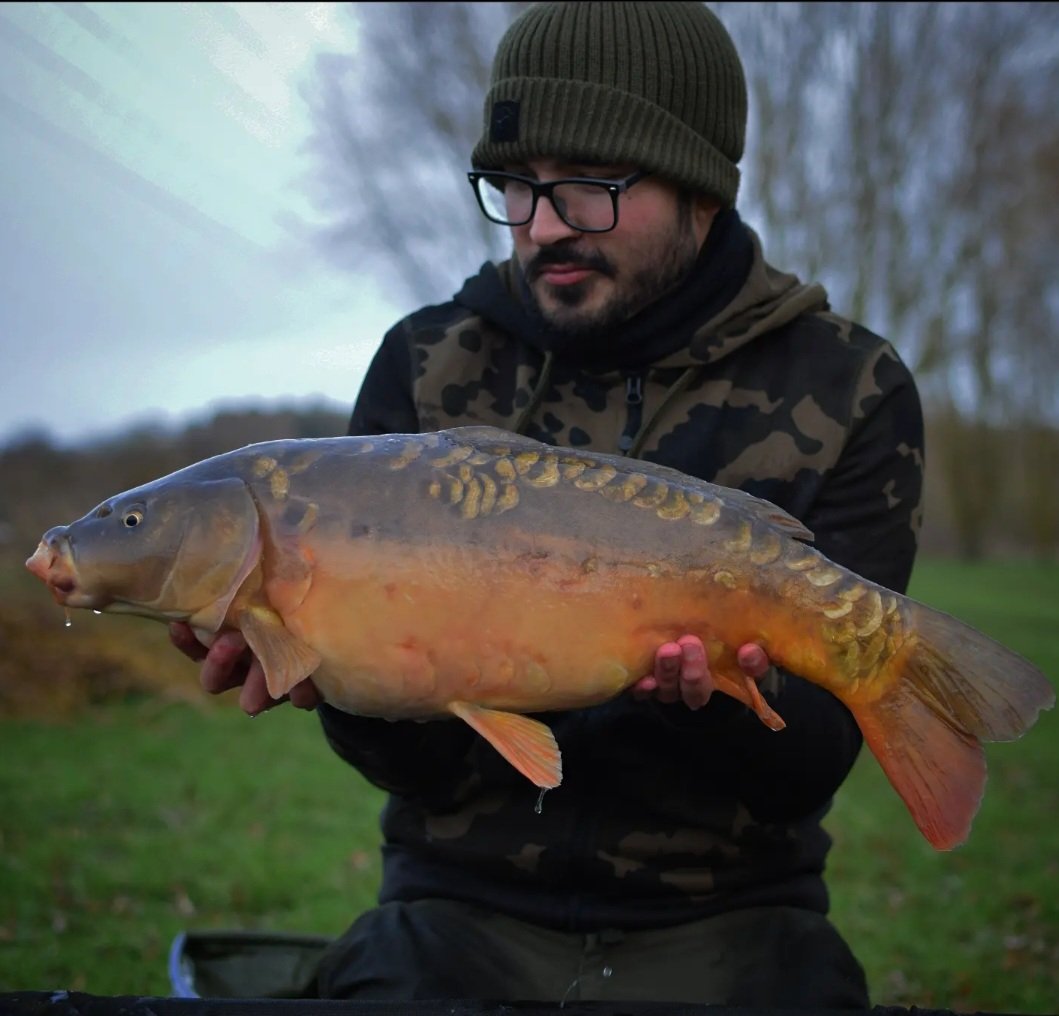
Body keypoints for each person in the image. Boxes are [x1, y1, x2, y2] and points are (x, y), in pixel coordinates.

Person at [170, 1, 923, 1006]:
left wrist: (713, 704)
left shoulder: (848, 389)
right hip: (455, 911)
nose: (544, 224)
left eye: (590, 185)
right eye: (514, 185)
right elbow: (413, 772)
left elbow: (805, 769)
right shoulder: (426, 366)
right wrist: (332, 667)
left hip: (732, 919)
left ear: (699, 186)